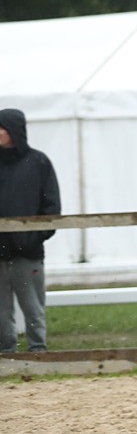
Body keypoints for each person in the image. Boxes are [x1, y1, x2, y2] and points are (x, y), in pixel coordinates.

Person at [0, 109, 60, 353]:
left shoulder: (39, 162)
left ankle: (38, 351)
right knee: (1, 311)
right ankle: (5, 353)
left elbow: (52, 207)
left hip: (28, 252)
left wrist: (31, 240)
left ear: (13, 130)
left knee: (33, 307)